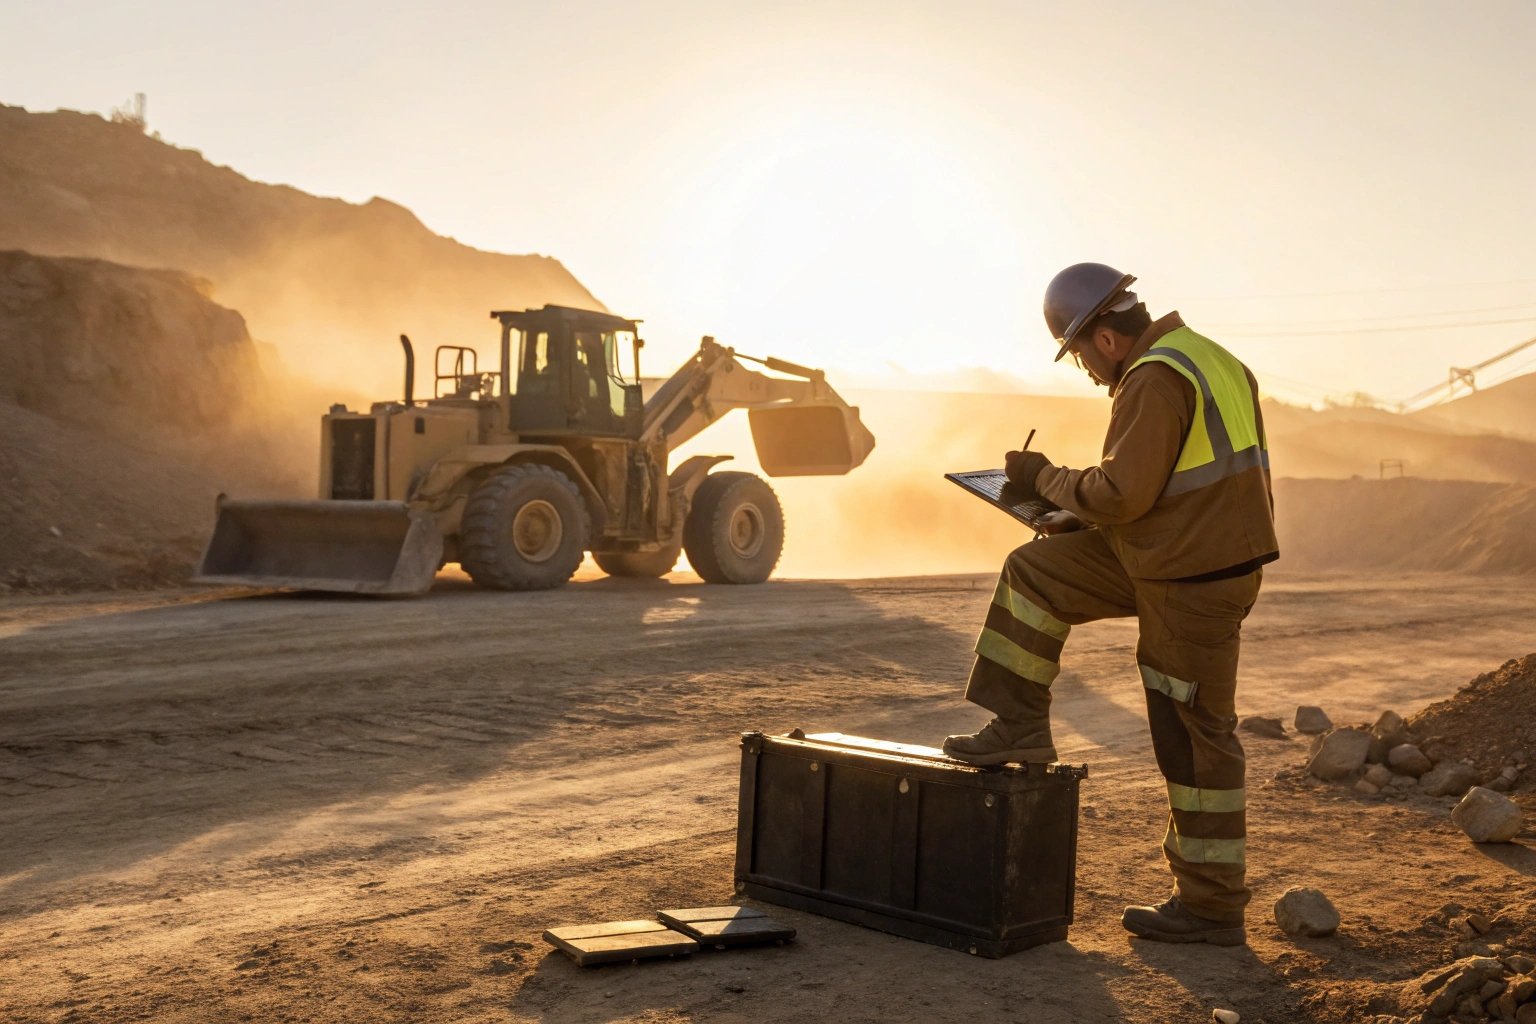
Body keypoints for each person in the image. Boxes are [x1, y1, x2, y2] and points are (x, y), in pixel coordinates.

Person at [942, 263, 1279, 947]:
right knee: (1036, 572)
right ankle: (1019, 724)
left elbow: (1125, 491)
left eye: (1083, 361)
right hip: (1168, 552)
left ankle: (1211, 906)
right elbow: (1168, 488)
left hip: (1193, 578)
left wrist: (1044, 479)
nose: (1091, 377)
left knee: (1192, 737)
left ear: (1103, 339)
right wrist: (1080, 521)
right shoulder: (1211, 359)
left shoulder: (1153, 377)